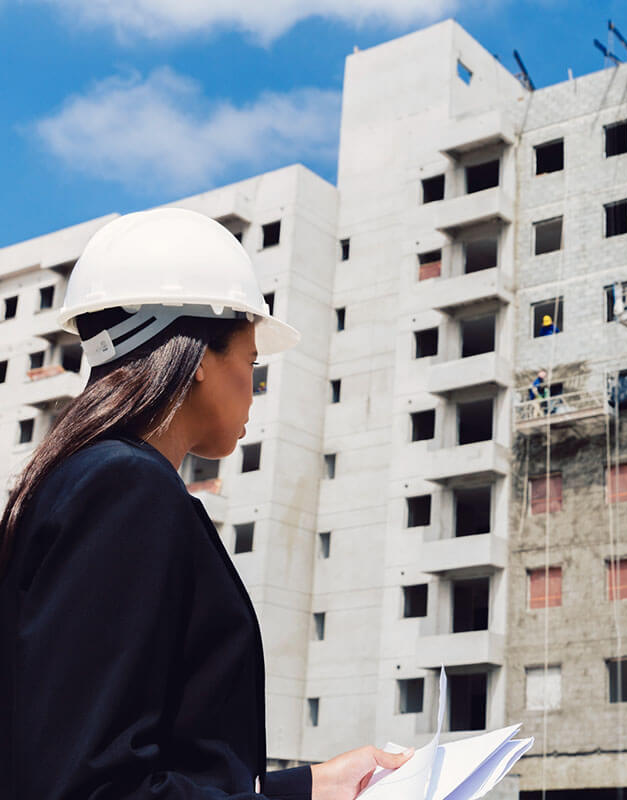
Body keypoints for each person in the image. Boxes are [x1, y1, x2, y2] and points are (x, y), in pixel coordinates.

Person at [0, 209, 412, 799]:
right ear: (197, 360)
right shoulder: (124, 489)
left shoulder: (85, 480)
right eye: (251, 362)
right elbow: (92, 788)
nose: (255, 388)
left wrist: (312, 787)